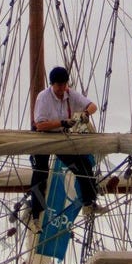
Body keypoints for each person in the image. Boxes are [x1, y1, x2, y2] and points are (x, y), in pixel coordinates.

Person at [29, 66, 102, 221]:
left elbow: (92, 106)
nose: (62, 88)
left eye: (64, 84)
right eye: (59, 85)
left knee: (83, 165)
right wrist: (62, 122)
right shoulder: (44, 97)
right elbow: (39, 125)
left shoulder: (69, 94)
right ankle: (36, 214)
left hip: (60, 136)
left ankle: (89, 202)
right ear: (52, 84)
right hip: (43, 137)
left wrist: (85, 113)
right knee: (41, 173)